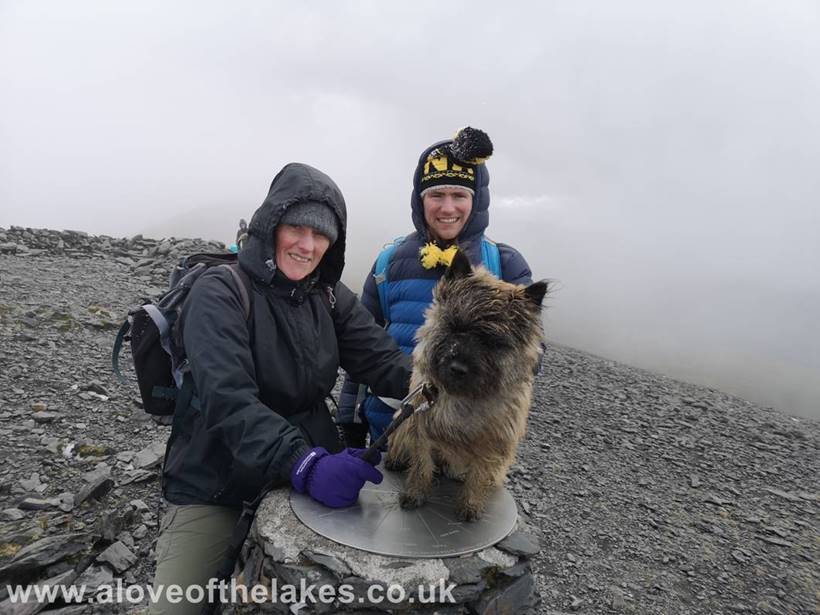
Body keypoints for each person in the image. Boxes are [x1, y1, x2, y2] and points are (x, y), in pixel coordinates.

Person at [150, 163, 412, 614]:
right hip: (216, 479)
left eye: (321, 235)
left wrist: (452, 388)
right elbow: (227, 400)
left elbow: (382, 360)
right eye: (297, 228)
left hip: (305, 467)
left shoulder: (327, 296)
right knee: (177, 606)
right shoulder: (220, 292)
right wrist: (306, 465)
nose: (307, 246)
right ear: (271, 225)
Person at [337, 127, 536, 447]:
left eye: (459, 195)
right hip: (388, 434)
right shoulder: (389, 263)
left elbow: (532, 357)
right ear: (420, 199)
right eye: (436, 195)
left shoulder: (505, 265)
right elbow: (359, 349)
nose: (447, 208)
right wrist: (348, 422)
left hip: (467, 442)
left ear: (478, 200)